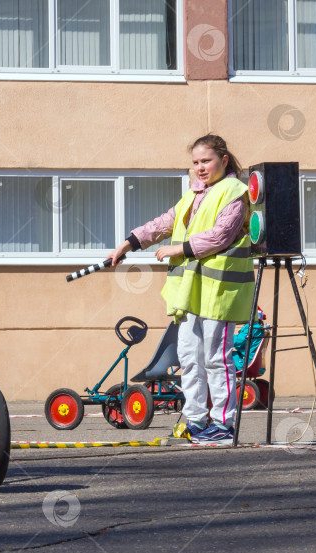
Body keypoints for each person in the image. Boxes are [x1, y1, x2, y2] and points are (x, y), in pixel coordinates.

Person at [107, 134, 254, 444]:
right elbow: (164, 223)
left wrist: (178, 250)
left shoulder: (235, 193)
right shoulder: (192, 195)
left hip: (219, 294)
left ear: (223, 160)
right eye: (195, 163)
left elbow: (220, 237)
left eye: (206, 161)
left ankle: (224, 427)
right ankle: (197, 421)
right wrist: (127, 245)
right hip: (190, 293)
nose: (200, 168)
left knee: (217, 358)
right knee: (188, 357)